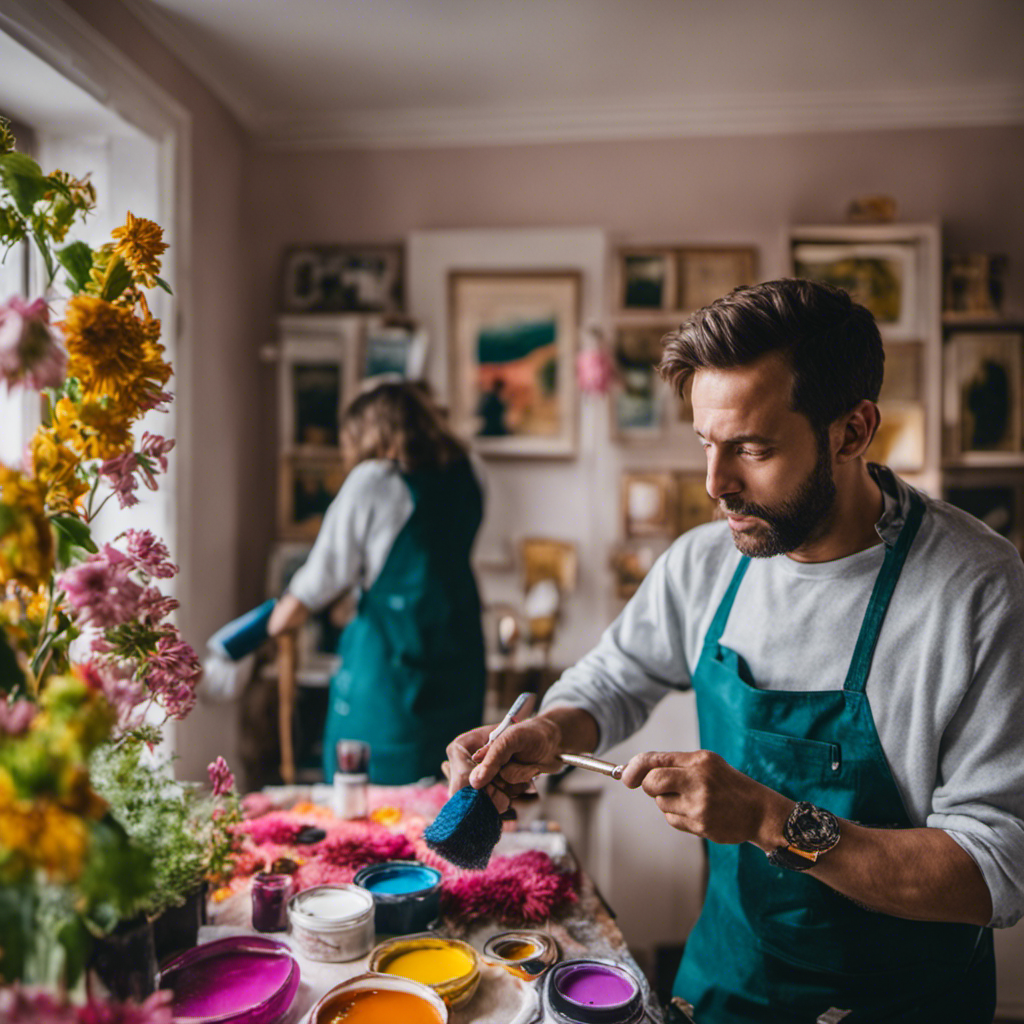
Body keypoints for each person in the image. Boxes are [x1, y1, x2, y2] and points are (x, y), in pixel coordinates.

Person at [445, 279, 1024, 1022]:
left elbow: (996, 869)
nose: (717, 485)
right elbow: (616, 677)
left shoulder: (977, 589)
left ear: (852, 430)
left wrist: (768, 820)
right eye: (706, 446)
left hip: (904, 1002)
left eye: (752, 449)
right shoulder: (704, 563)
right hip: (729, 983)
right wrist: (552, 731)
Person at [270, 380, 486, 786]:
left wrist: (279, 618)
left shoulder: (373, 480)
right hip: (458, 654)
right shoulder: (470, 470)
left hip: (389, 663)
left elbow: (321, 577)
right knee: (451, 786)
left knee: (369, 798)